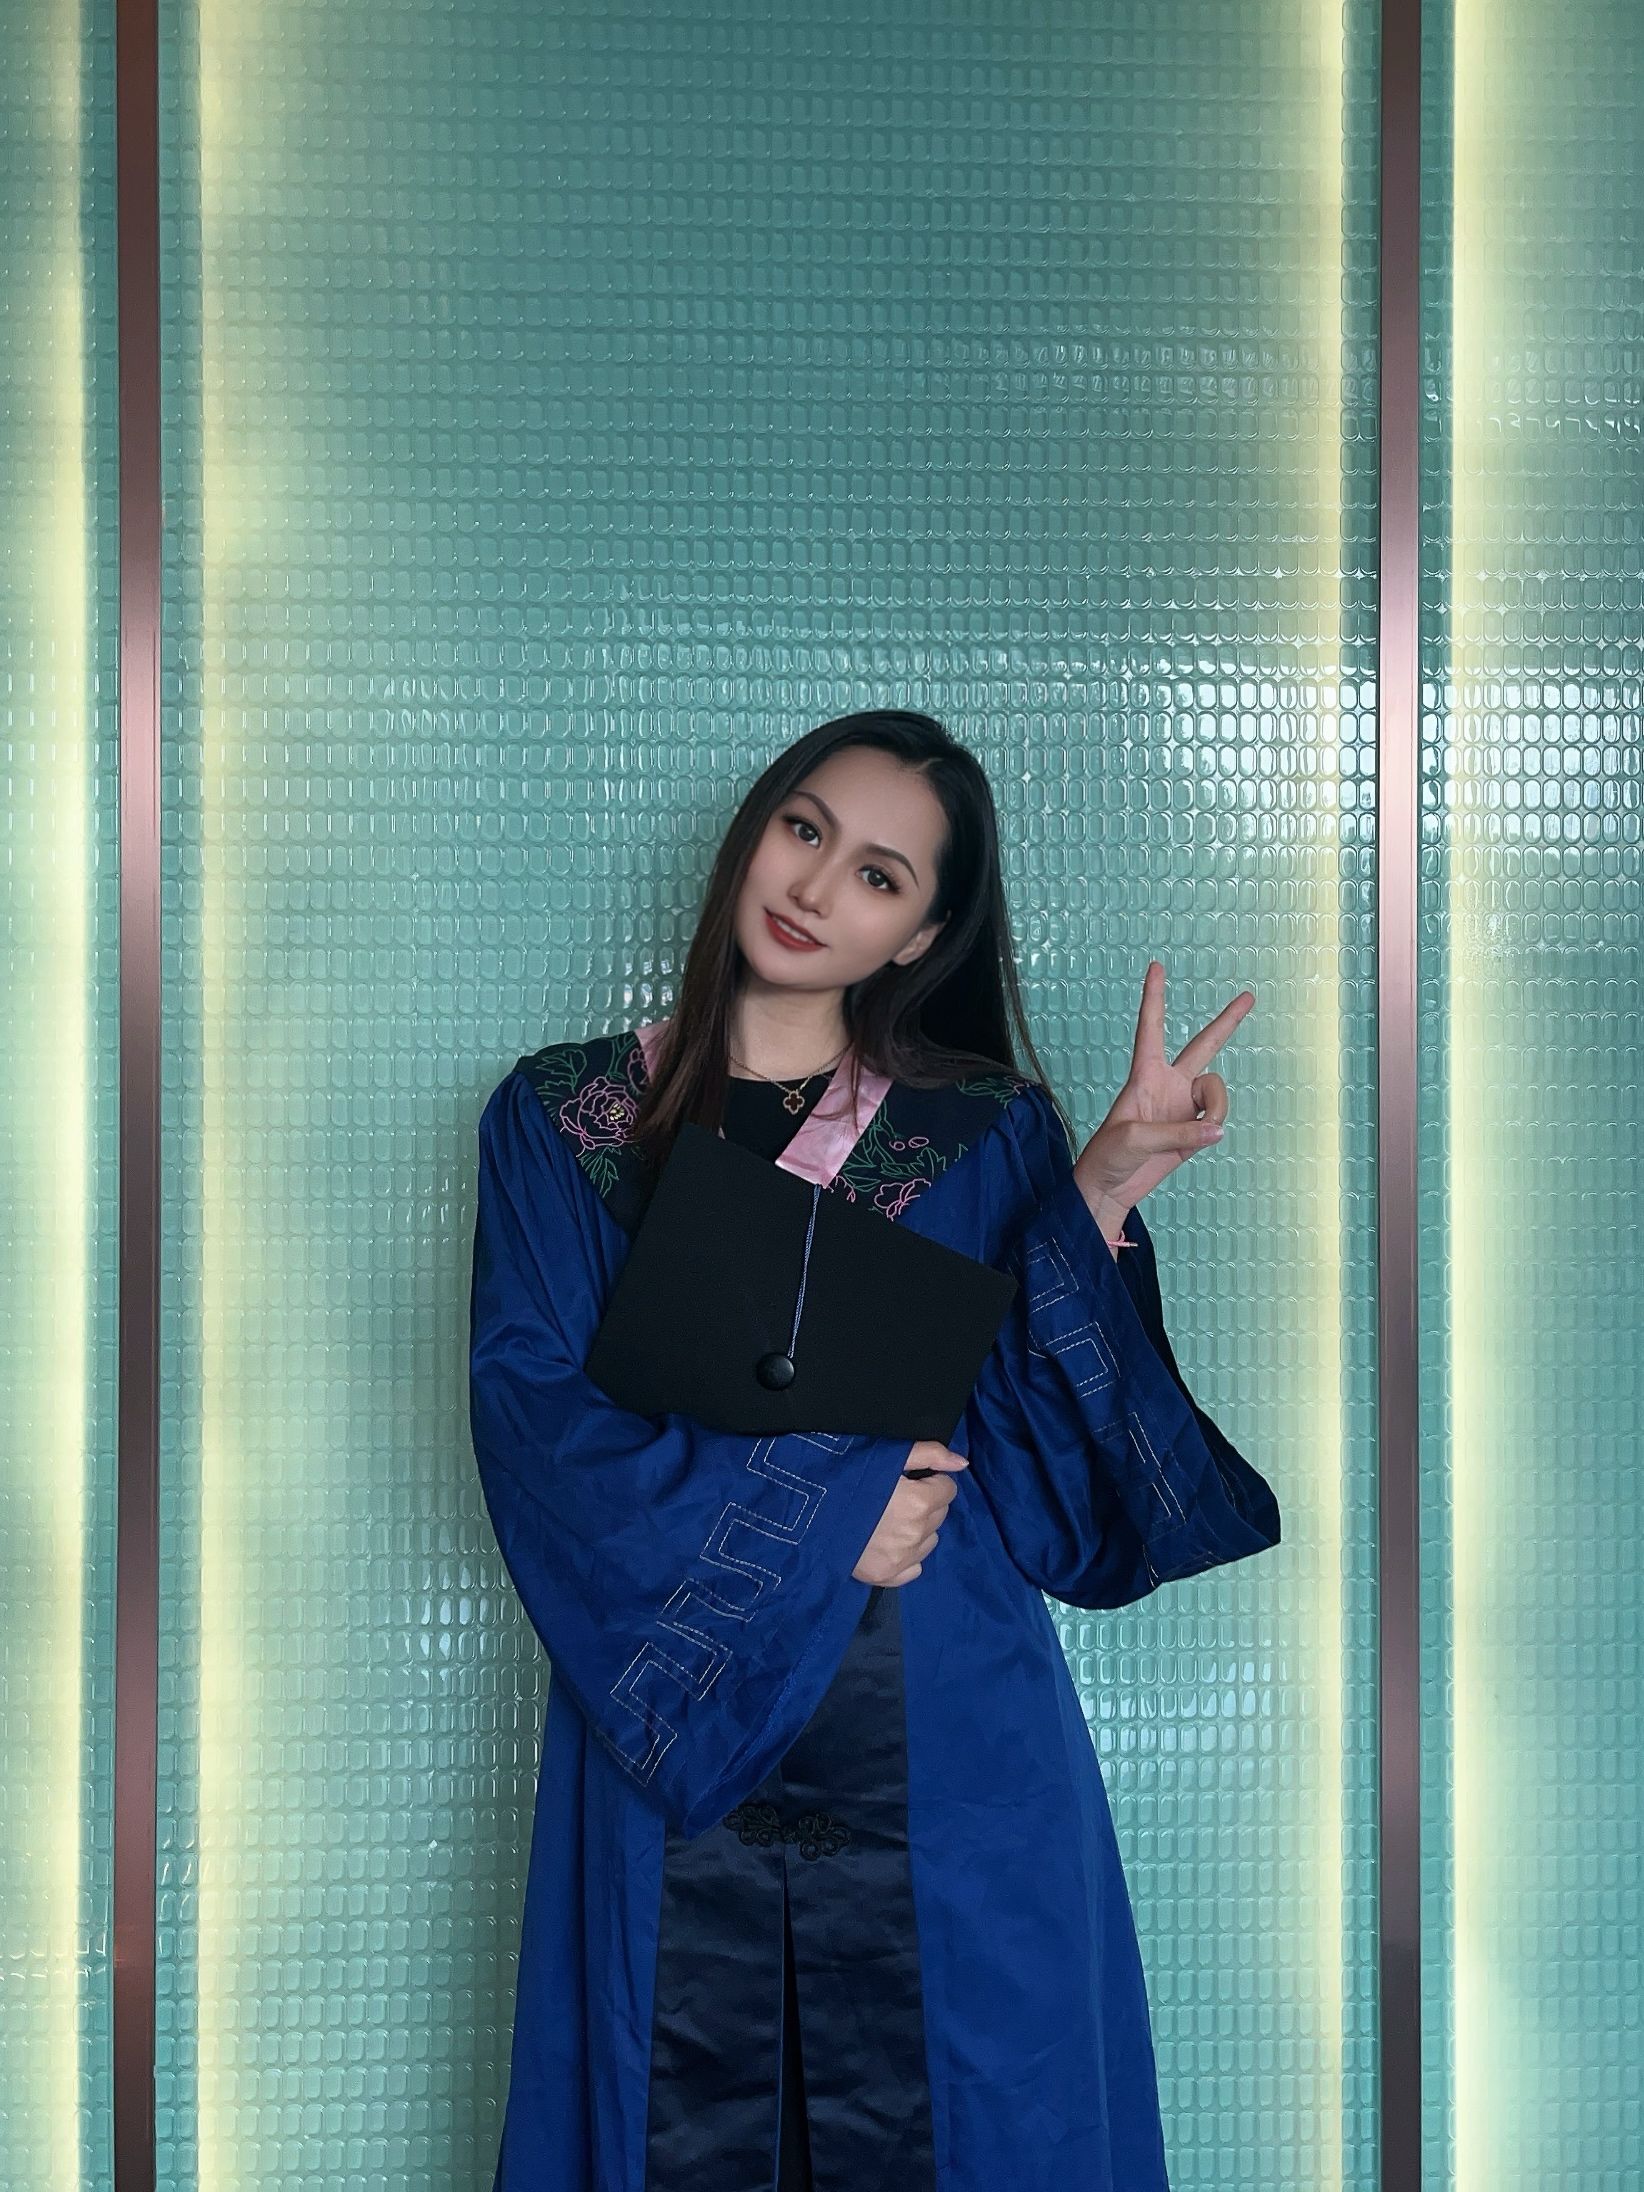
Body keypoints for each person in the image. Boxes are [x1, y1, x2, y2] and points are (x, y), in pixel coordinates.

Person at [468, 708, 1280, 2192]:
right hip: (680, 1720)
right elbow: (538, 1425)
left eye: (880, 876)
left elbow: (1043, 1478)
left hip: (952, 1726)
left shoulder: (978, 1131)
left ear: (920, 936)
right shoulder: (563, 1124)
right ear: (755, 830)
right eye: (805, 829)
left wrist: (1097, 1192)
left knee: (975, 2121)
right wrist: (836, 1509)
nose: (816, 886)